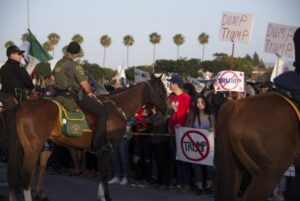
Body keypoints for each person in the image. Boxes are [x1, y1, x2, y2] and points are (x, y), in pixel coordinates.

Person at [53, 41, 110, 153]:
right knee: (103, 112)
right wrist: (89, 92)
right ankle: (98, 145)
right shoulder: (75, 66)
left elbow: (53, 77)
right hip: (72, 96)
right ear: (77, 53)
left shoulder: (58, 64)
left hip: (58, 96)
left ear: (67, 50)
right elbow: (85, 84)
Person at [167, 74, 192, 192]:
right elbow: (168, 114)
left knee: (183, 158)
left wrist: (184, 127)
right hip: (172, 132)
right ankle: (179, 181)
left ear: (175, 84)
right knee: (175, 158)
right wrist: (169, 126)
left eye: (170, 83)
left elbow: (189, 116)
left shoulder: (187, 98)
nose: (169, 84)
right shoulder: (170, 97)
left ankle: (186, 183)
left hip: (182, 133)